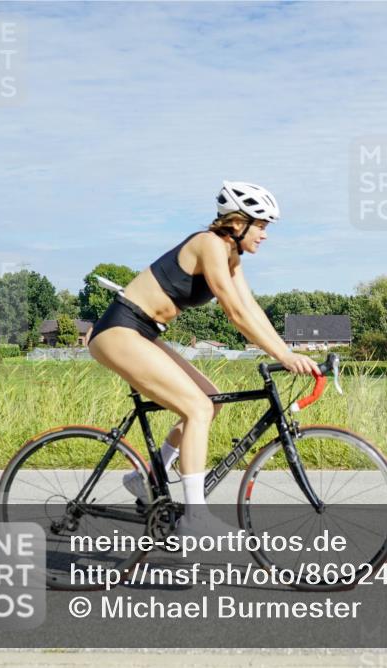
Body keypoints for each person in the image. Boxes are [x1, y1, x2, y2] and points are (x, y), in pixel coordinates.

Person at [87, 181, 320, 537]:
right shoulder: (209, 244)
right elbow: (234, 313)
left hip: (143, 332)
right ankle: (195, 518)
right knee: (197, 408)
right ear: (238, 222)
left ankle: (148, 476)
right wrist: (283, 356)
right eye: (260, 225)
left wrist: (288, 351)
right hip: (120, 330)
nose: (265, 235)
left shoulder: (231, 257)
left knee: (211, 400)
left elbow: (250, 308)